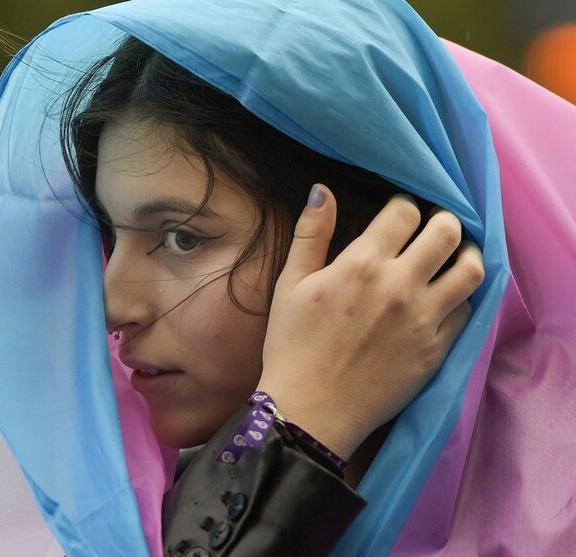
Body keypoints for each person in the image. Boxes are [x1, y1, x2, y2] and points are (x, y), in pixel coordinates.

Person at [57, 35, 483, 554]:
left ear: (361, 245)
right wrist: (295, 425)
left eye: (181, 238)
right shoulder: (79, 524)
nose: (113, 309)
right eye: (108, 238)